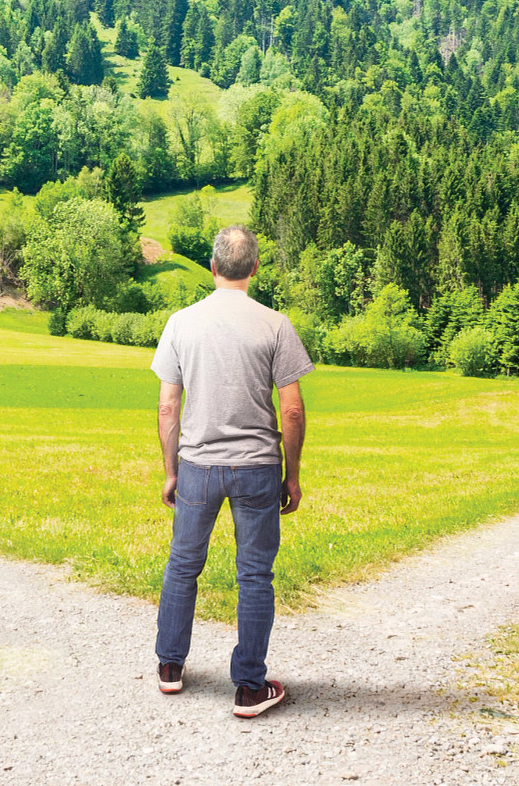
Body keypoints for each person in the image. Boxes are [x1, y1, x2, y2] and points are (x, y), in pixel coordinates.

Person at [150, 223, 313, 718]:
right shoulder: (276, 324)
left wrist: (170, 469)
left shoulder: (181, 322)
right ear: (255, 269)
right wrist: (293, 473)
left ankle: (170, 668)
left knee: (183, 565)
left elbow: (166, 407)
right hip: (257, 469)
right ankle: (248, 687)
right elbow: (292, 412)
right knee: (254, 576)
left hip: (198, 465)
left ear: (213, 267)